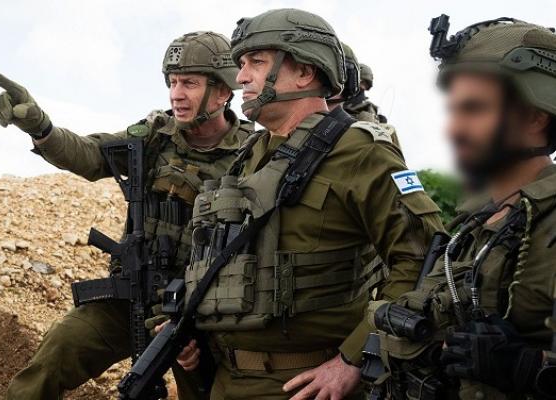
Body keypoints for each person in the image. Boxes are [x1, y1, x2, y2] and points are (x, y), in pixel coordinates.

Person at [175, 9, 443, 400]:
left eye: (256, 62)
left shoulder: (360, 150)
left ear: (304, 71)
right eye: (241, 64)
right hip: (226, 378)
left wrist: (355, 358)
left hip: (305, 385)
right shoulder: (250, 154)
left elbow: (424, 259)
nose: (241, 77)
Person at [0, 31, 252, 400]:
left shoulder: (251, 155)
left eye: (190, 83)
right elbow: (91, 154)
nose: (176, 94)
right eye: (173, 82)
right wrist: (41, 128)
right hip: (134, 294)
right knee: (58, 351)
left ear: (223, 91)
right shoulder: (154, 136)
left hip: (203, 313)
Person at [362, 15, 556, 399]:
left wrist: (529, 368)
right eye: (453, 110)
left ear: (536, 116)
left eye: (475, 109)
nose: (454, 129)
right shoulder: (475, 221)